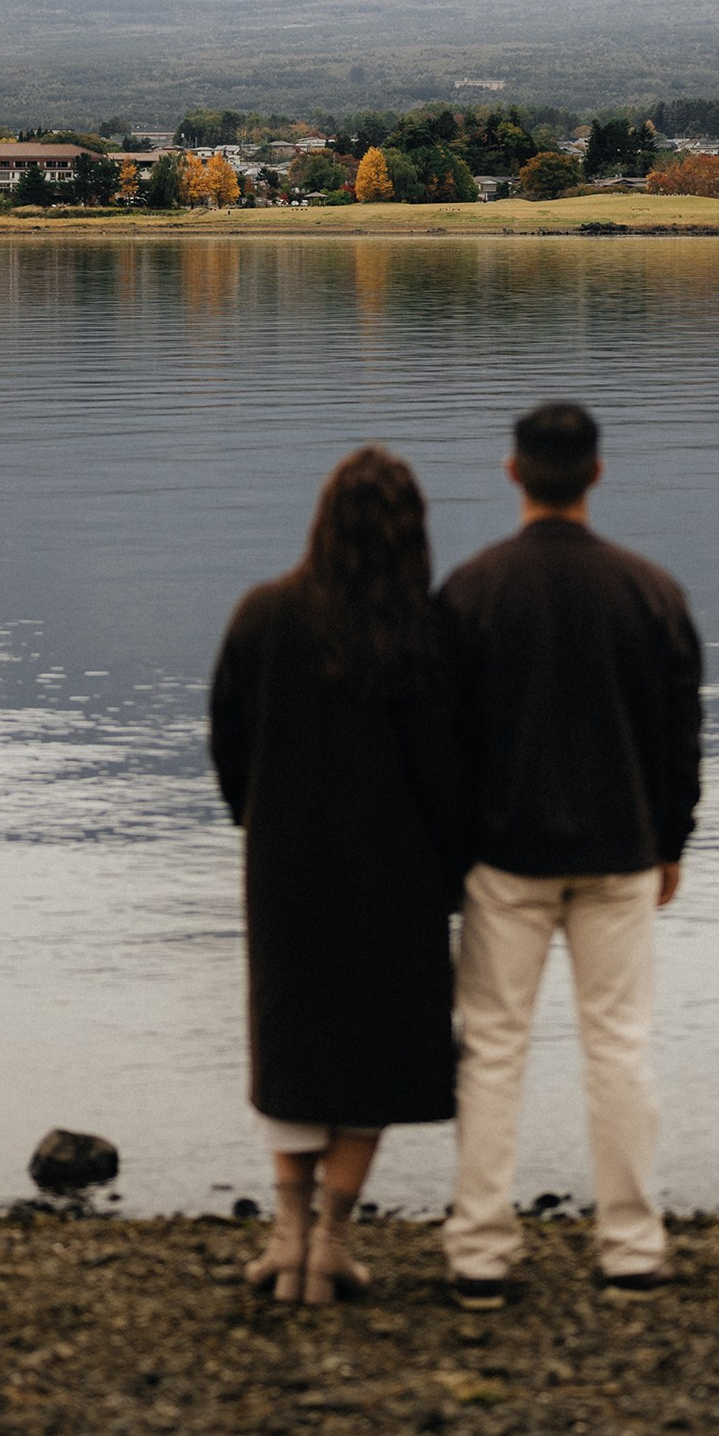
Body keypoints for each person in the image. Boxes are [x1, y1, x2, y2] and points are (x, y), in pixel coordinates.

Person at [437, 401, 702, 1307]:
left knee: (492, 1052)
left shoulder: (470, 591)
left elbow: (445, 743)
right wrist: (673, 842)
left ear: (513, 473)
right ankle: (631, 1246)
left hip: (504, 859)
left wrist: (449, 855)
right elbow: (681, 737)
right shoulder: (650, 591)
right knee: (619, 1050)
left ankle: (479, 1252)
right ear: (597, 473)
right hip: (623, 852)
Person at [209, 445, 469, 1303]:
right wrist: (451, 864)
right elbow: (447, 767)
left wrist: (262, 821)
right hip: (397, 878)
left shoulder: (261, 616)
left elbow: (229, 748)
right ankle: (331, 1242)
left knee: (292, 1040)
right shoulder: (427, 634)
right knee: (375, 1050)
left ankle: (284, 1236)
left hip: (286, 867)